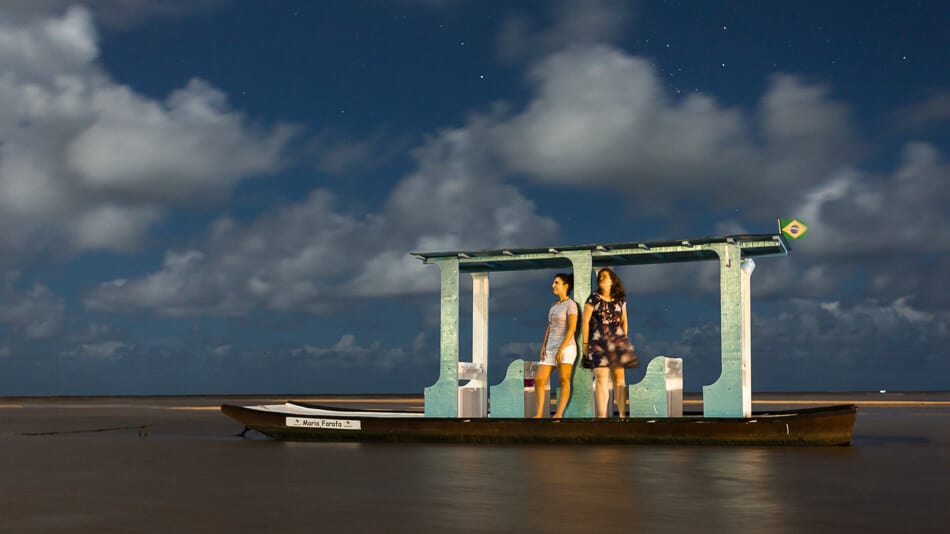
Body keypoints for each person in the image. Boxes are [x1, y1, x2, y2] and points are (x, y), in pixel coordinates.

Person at [581, 268, 639, 418]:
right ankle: (601, 416)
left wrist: (623, 339)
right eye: (599, 276)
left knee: (619, 378)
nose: (601, 278)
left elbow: (625, 320)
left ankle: (621, 415)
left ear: (612, 280)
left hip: (618, 340)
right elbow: (585, 321)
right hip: (598, 339)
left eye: (605, 276)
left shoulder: (621, 300)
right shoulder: (594, 298)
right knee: (601, 378)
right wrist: (585, 344)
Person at [534, 273, 578, 418]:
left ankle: (558, 414)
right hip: (550, 347)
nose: (553, 285)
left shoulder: (571, 305)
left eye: (556, 283)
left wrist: (561, 349)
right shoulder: (553, 306)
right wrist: (543, 346)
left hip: (567, 347)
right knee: (539, 379)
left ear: (566, 285)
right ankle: (539, 414)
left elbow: (572, 329)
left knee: (563, 379)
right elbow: (550, 326)